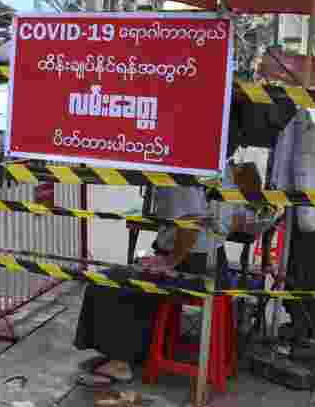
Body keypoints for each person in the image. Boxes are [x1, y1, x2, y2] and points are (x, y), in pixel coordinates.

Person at [73, 161, 262, 387]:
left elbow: (190, 225)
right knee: (127, 275)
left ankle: (120, 362)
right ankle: (125, 352)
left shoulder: (185, 171)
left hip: (194, 266)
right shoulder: (220, 172)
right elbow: (232, 221)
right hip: (212, 263)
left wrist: (170, 261)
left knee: (109, 282)